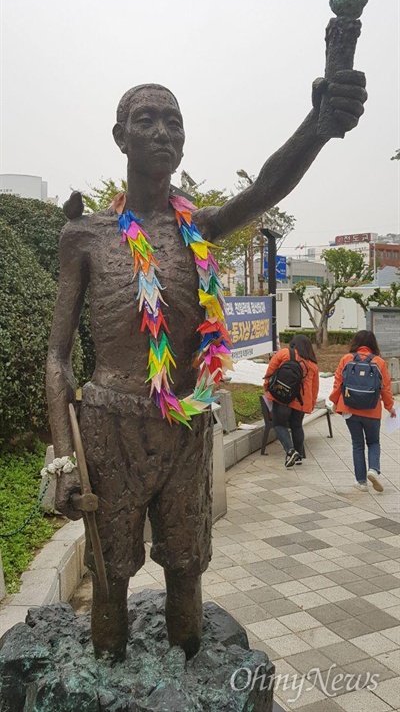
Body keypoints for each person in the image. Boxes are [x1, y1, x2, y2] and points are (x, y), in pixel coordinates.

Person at [47, 72, 366, 662]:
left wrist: (317, 130)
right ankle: (109, 664)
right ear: (120, 136)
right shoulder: (84, 237)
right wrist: (63, 460)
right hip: (109, 423)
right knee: (110, 573)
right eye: (147, 120)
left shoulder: (199, 229)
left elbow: (266, 188)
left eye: (174, 122)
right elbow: (57, 358)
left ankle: (190, 668)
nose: (163, 132)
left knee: (187, 567)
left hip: (185, 424)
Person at [329, 330, 396, 492]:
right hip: (372, 410)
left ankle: (361, 482)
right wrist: (390, 407)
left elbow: (338, 383)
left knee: (357, 444)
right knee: (373, 442)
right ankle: (373, 470)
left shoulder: (346, 359)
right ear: (373, 344)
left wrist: (335, 402)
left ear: (355, 342)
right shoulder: (378, 362)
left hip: (350, 409)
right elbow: (385, 388)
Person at [264, 335, 319, 466]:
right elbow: (315, 388)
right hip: (300, 401)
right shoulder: (312, 364)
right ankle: (299, 457)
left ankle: (290, 451)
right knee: (297, 426)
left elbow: (270, 372)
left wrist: (267, 389)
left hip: (282, 397)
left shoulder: (284, 353)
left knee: (279, 425)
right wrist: (311, 404)